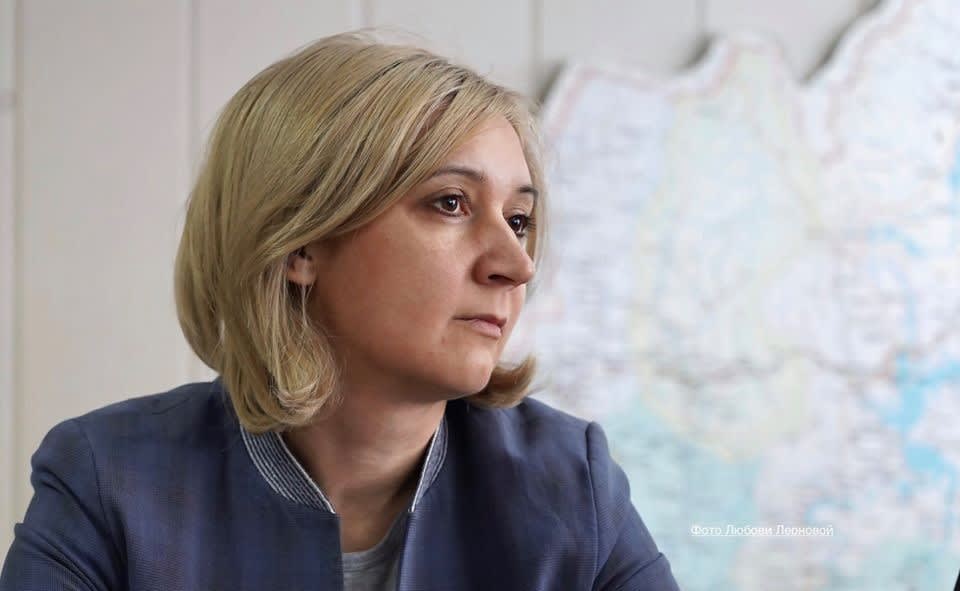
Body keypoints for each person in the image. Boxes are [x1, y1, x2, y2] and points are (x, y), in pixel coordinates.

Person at [0, 31, 680, 590]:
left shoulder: (573, 485)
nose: (516, 264)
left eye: (520, 219)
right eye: (450, 203)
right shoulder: (108, 481)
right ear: (299, 243)